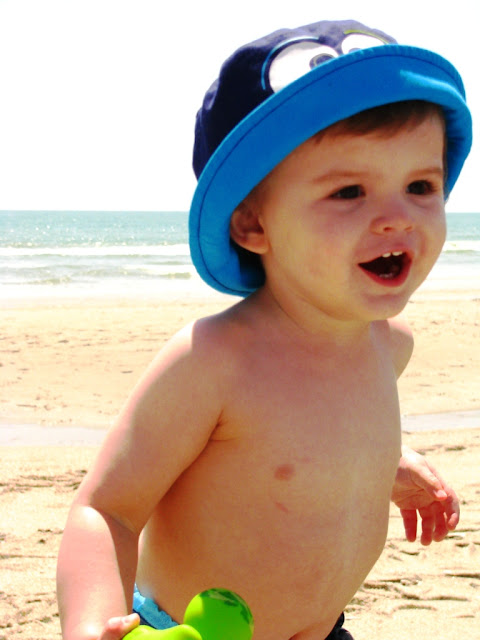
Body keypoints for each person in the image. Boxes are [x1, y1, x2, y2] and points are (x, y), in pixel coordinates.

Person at [56, 19, 472, 640]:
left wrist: (390, 462)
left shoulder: (389, 345)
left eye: (420, 186)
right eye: (349, 191)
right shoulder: (215, 362)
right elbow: (104, 509)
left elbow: (319, 429)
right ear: (253, 225)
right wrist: (91, 626)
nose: (396, 217)